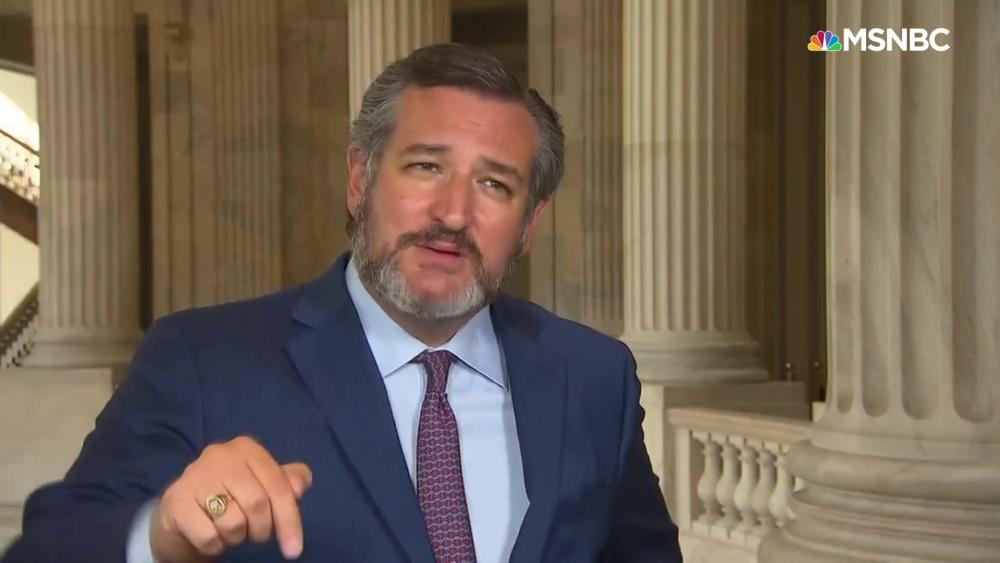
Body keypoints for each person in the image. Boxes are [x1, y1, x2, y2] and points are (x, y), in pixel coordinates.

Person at [2, 43, 681, 563]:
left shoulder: (593, 377)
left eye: (494, 185)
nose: (452, 213)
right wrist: (162, 534)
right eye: (425, 166)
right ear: (360, 180)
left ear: (530, 224)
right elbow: (49, 549)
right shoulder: (203, 362)